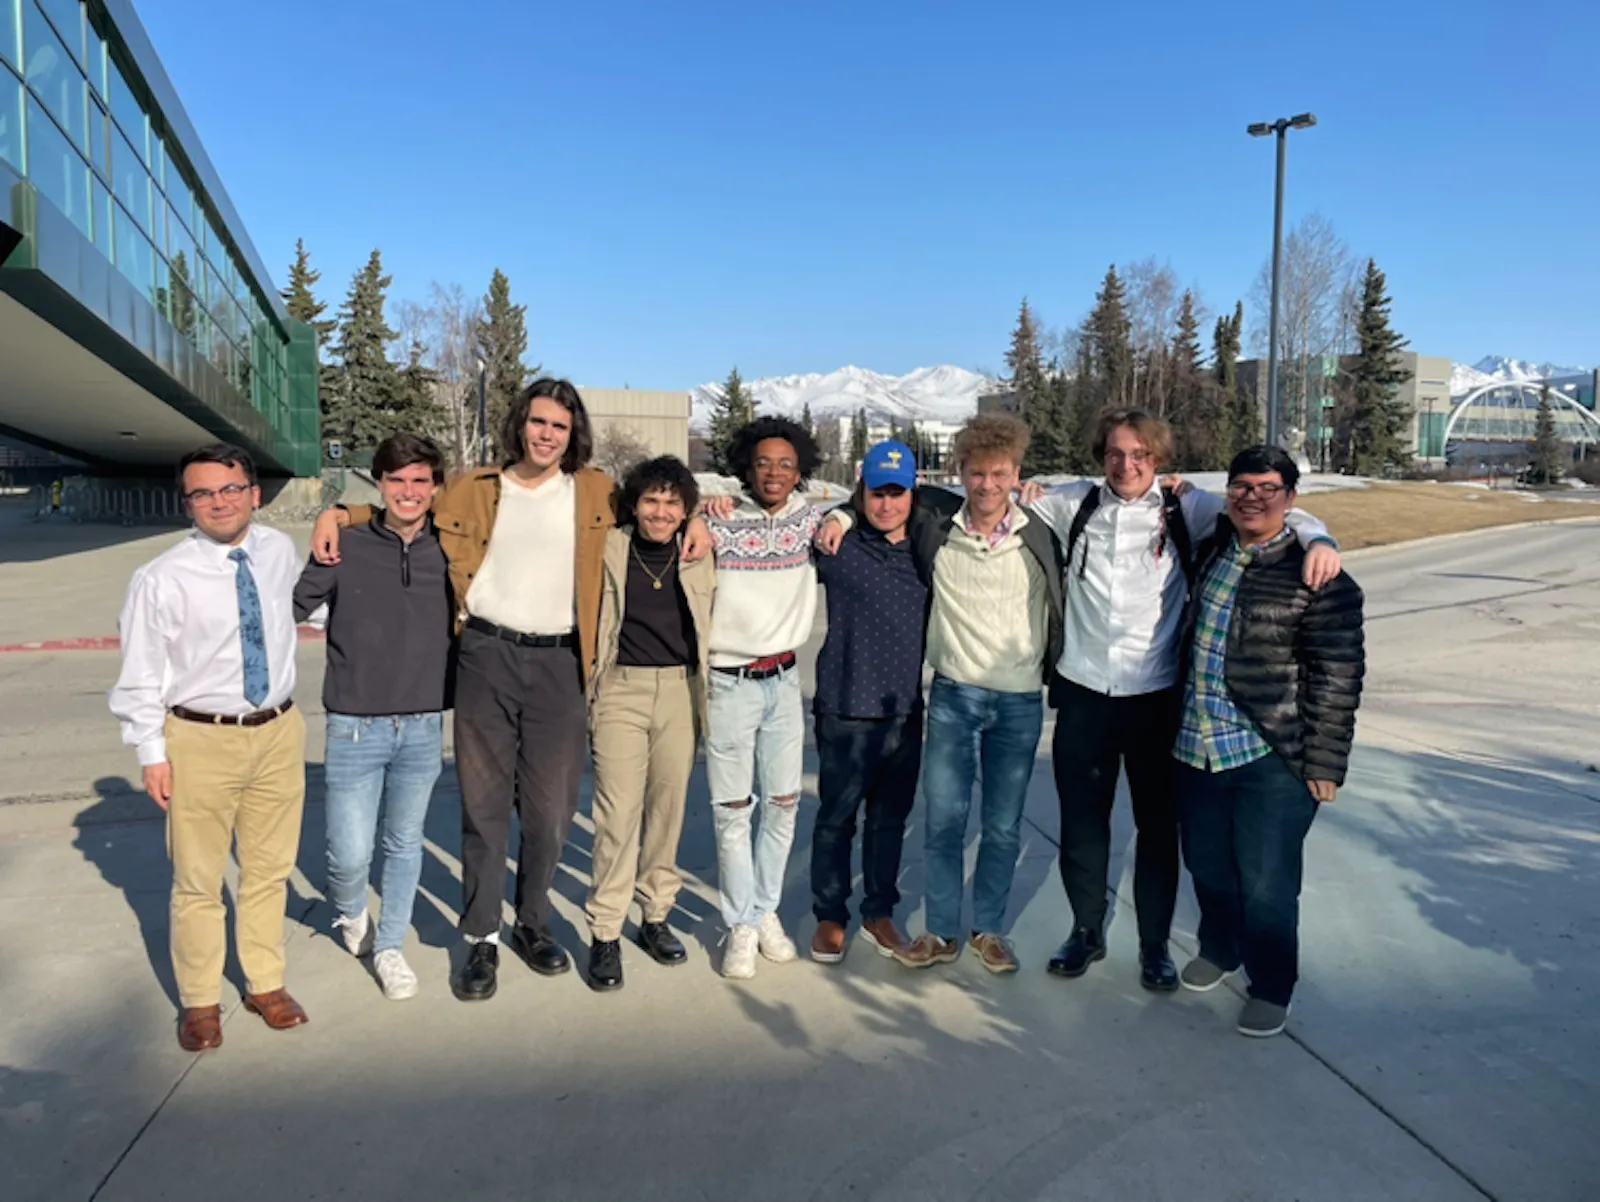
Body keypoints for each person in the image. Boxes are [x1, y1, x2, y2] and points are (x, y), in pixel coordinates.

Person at [312, 381, 709, 1001]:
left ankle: (532, 920)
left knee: (552, 815)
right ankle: (482, 940)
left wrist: (705, 520)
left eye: (560, 425)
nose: (547, 435)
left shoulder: (596, 490)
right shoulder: (477, 486)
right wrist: (341, 513)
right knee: (484, 810)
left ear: (575, 432)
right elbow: (409, 505)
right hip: (486, 656)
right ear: (520, 426)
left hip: (561, 664)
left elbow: (663, 508)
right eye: (538, 422)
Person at [1020, 410, 1340, 992]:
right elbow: (994, 499)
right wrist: (1024, 488)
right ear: (1101, 457)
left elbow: (1270, 508)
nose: (1127, 465)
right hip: (1085, 694)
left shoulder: (1185, 508)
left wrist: (1320, 538)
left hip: (1157, 699)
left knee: (1158, 830)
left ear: (1159, 459)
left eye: (1140, 454)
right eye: (1116, 453)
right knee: (1084, 827)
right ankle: (1085, 932)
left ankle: (1153, 946)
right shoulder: (1076, 503)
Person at [821, 412, 1064, 974]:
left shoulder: (1038, 533)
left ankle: (989, 930)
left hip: (1018, 701)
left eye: (999, 473)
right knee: (945, 820)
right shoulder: (938, 522)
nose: (987, 485)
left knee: (1003, 825)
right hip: (955, 697)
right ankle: (941, 932)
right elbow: (879, 497)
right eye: (976, 473)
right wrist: (836, 512)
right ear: (961, 472)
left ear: (1016, 473)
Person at [110, 443, 309, 1052]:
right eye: (202, 493)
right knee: (197, 881)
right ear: (187, 503)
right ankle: (200, 1001)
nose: (218, 502)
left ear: (253, 492)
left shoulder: (278, 552)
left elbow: (302, 612)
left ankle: (265, 982)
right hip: (199, 738)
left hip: (278, 732)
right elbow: (140, 673)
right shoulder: (161, 578)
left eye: (229, 489)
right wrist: (151, 753)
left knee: (269, 871)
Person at [1172, 445, 1364, 1038]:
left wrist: (1326, 762)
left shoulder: (1319, 576)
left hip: (1269, 753)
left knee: (1267, 883)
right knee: (1207, 863)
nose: (1251, 497)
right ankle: (1220, 946)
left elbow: (1337, 676)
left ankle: (1273, 983)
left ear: (1291, 498)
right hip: (1195, 745)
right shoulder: (1210, 549)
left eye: (1267, 487)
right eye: (1241, 486)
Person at [293, 433, 453, 1001]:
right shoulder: (349, 542)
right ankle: (352, 913)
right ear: (379, 485)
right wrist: (330, 517)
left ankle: (389, 947)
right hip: (354, 724)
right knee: (349, 853)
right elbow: (291, 606)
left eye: (420, 481)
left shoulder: (452, 548)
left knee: (404, 843)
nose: (408, 492)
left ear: (436, 488)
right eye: (396, 480)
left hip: (423, 724)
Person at [699, 417, 826, 979]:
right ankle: (741, 925)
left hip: (784, 683)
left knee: (782, 806)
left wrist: (843, 514)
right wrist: (704, 514)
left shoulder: (812, 520)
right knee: (731, 813)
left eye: (785, 464)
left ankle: (765, 910)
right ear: (747, 467)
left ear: (801, 471)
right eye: (763, 463)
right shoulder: (719, 520)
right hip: (729, 682)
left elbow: (858, 511)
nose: (774, 473)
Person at [583, 456, 715, 991]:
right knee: (617, 814)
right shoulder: (610, 545)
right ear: (634, 504)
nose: (660, 513)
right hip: (621, 688)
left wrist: (705, 521)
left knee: (668, 811)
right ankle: (606, 931)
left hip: (681, 691)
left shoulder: (701, 551)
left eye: (672, 503)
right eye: (651, 501)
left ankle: (655, 915)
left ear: (686, 510)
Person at [809, 440, 929, 963]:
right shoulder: (837, 547)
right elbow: (782, 518)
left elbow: (967, 500)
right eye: (876, 493)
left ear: (912, 493)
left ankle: (879, 913)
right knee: (836, 819)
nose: (886, 504)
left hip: (903, 710)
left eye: (896, 493)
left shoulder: (929, 550)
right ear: (861, 491)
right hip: (844, 707)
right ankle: (830, 916)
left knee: (889, 821)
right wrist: (836, 514)